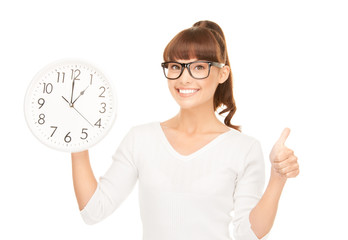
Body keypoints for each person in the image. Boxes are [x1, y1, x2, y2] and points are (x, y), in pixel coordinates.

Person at [71, 20, 300, 240]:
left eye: (199, 67)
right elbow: (94, 212)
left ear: (222, 73)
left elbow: (249, 235)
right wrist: (76, 140)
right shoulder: (141, 139)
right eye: (175, 67)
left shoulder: (244, 149)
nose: (184, 78)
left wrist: (277, 179)